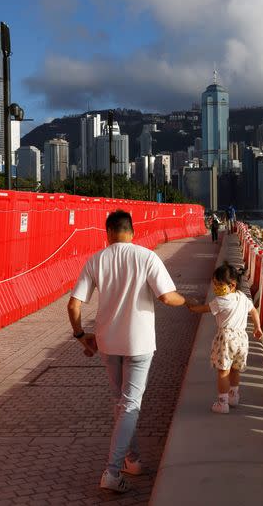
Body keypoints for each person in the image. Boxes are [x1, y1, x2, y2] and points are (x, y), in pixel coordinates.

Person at [67, 209, 188, 493]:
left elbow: (73, 305)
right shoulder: (146, 257)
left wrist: (81, 335)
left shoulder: (96, 260)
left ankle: (132, 460)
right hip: (140, 344)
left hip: (108, 344)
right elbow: (168, 298)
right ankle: (111, 471)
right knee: (130, 405)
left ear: (107, 232)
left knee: (121, 404)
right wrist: (189, 301)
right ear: (132, 232)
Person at [187, 262, 262, 414]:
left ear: (232, 285)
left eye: (219, 284)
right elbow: (254, 311)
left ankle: (223, 403)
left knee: (223, 371)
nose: (216, 288)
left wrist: (188, 304)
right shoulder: (242, 297)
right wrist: (257, 327)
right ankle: (234, 396)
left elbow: (201, 309)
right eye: (214, 283)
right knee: (235, 370)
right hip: (242, 338)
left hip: (226, 338)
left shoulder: (221, 301)